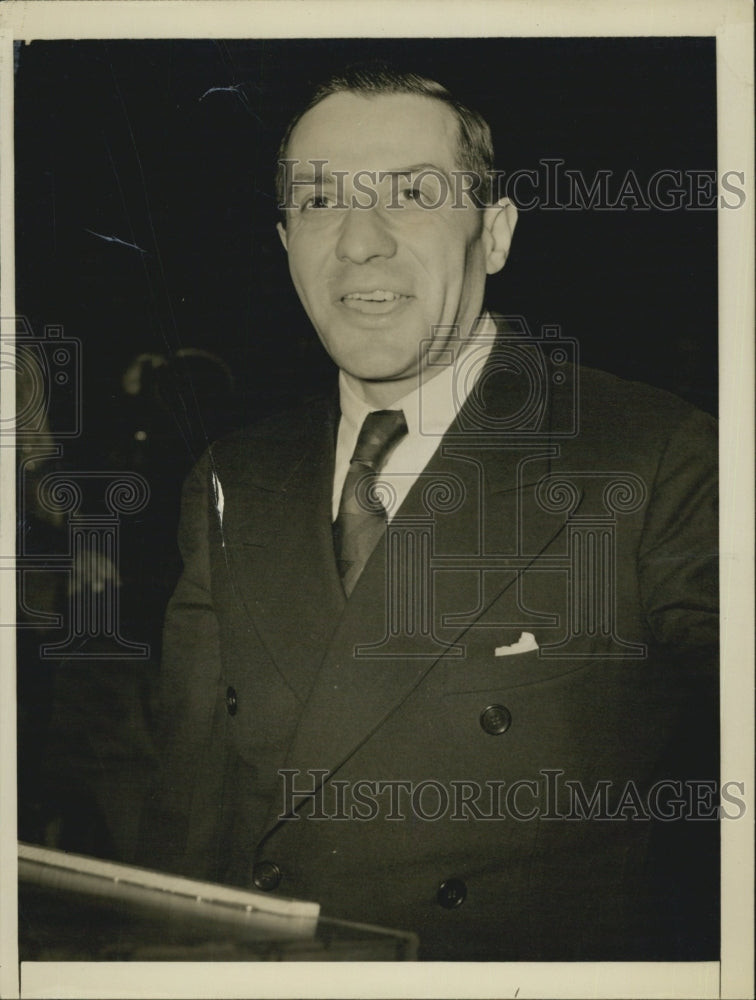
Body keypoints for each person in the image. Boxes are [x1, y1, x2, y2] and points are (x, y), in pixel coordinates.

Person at [140, 64, 718, 961]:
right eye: (321, 201)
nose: (360, 243)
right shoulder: (232, 478)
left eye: (412, 193)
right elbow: (190, 820)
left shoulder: (653, 455)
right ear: (286, 239)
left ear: (493, 235)